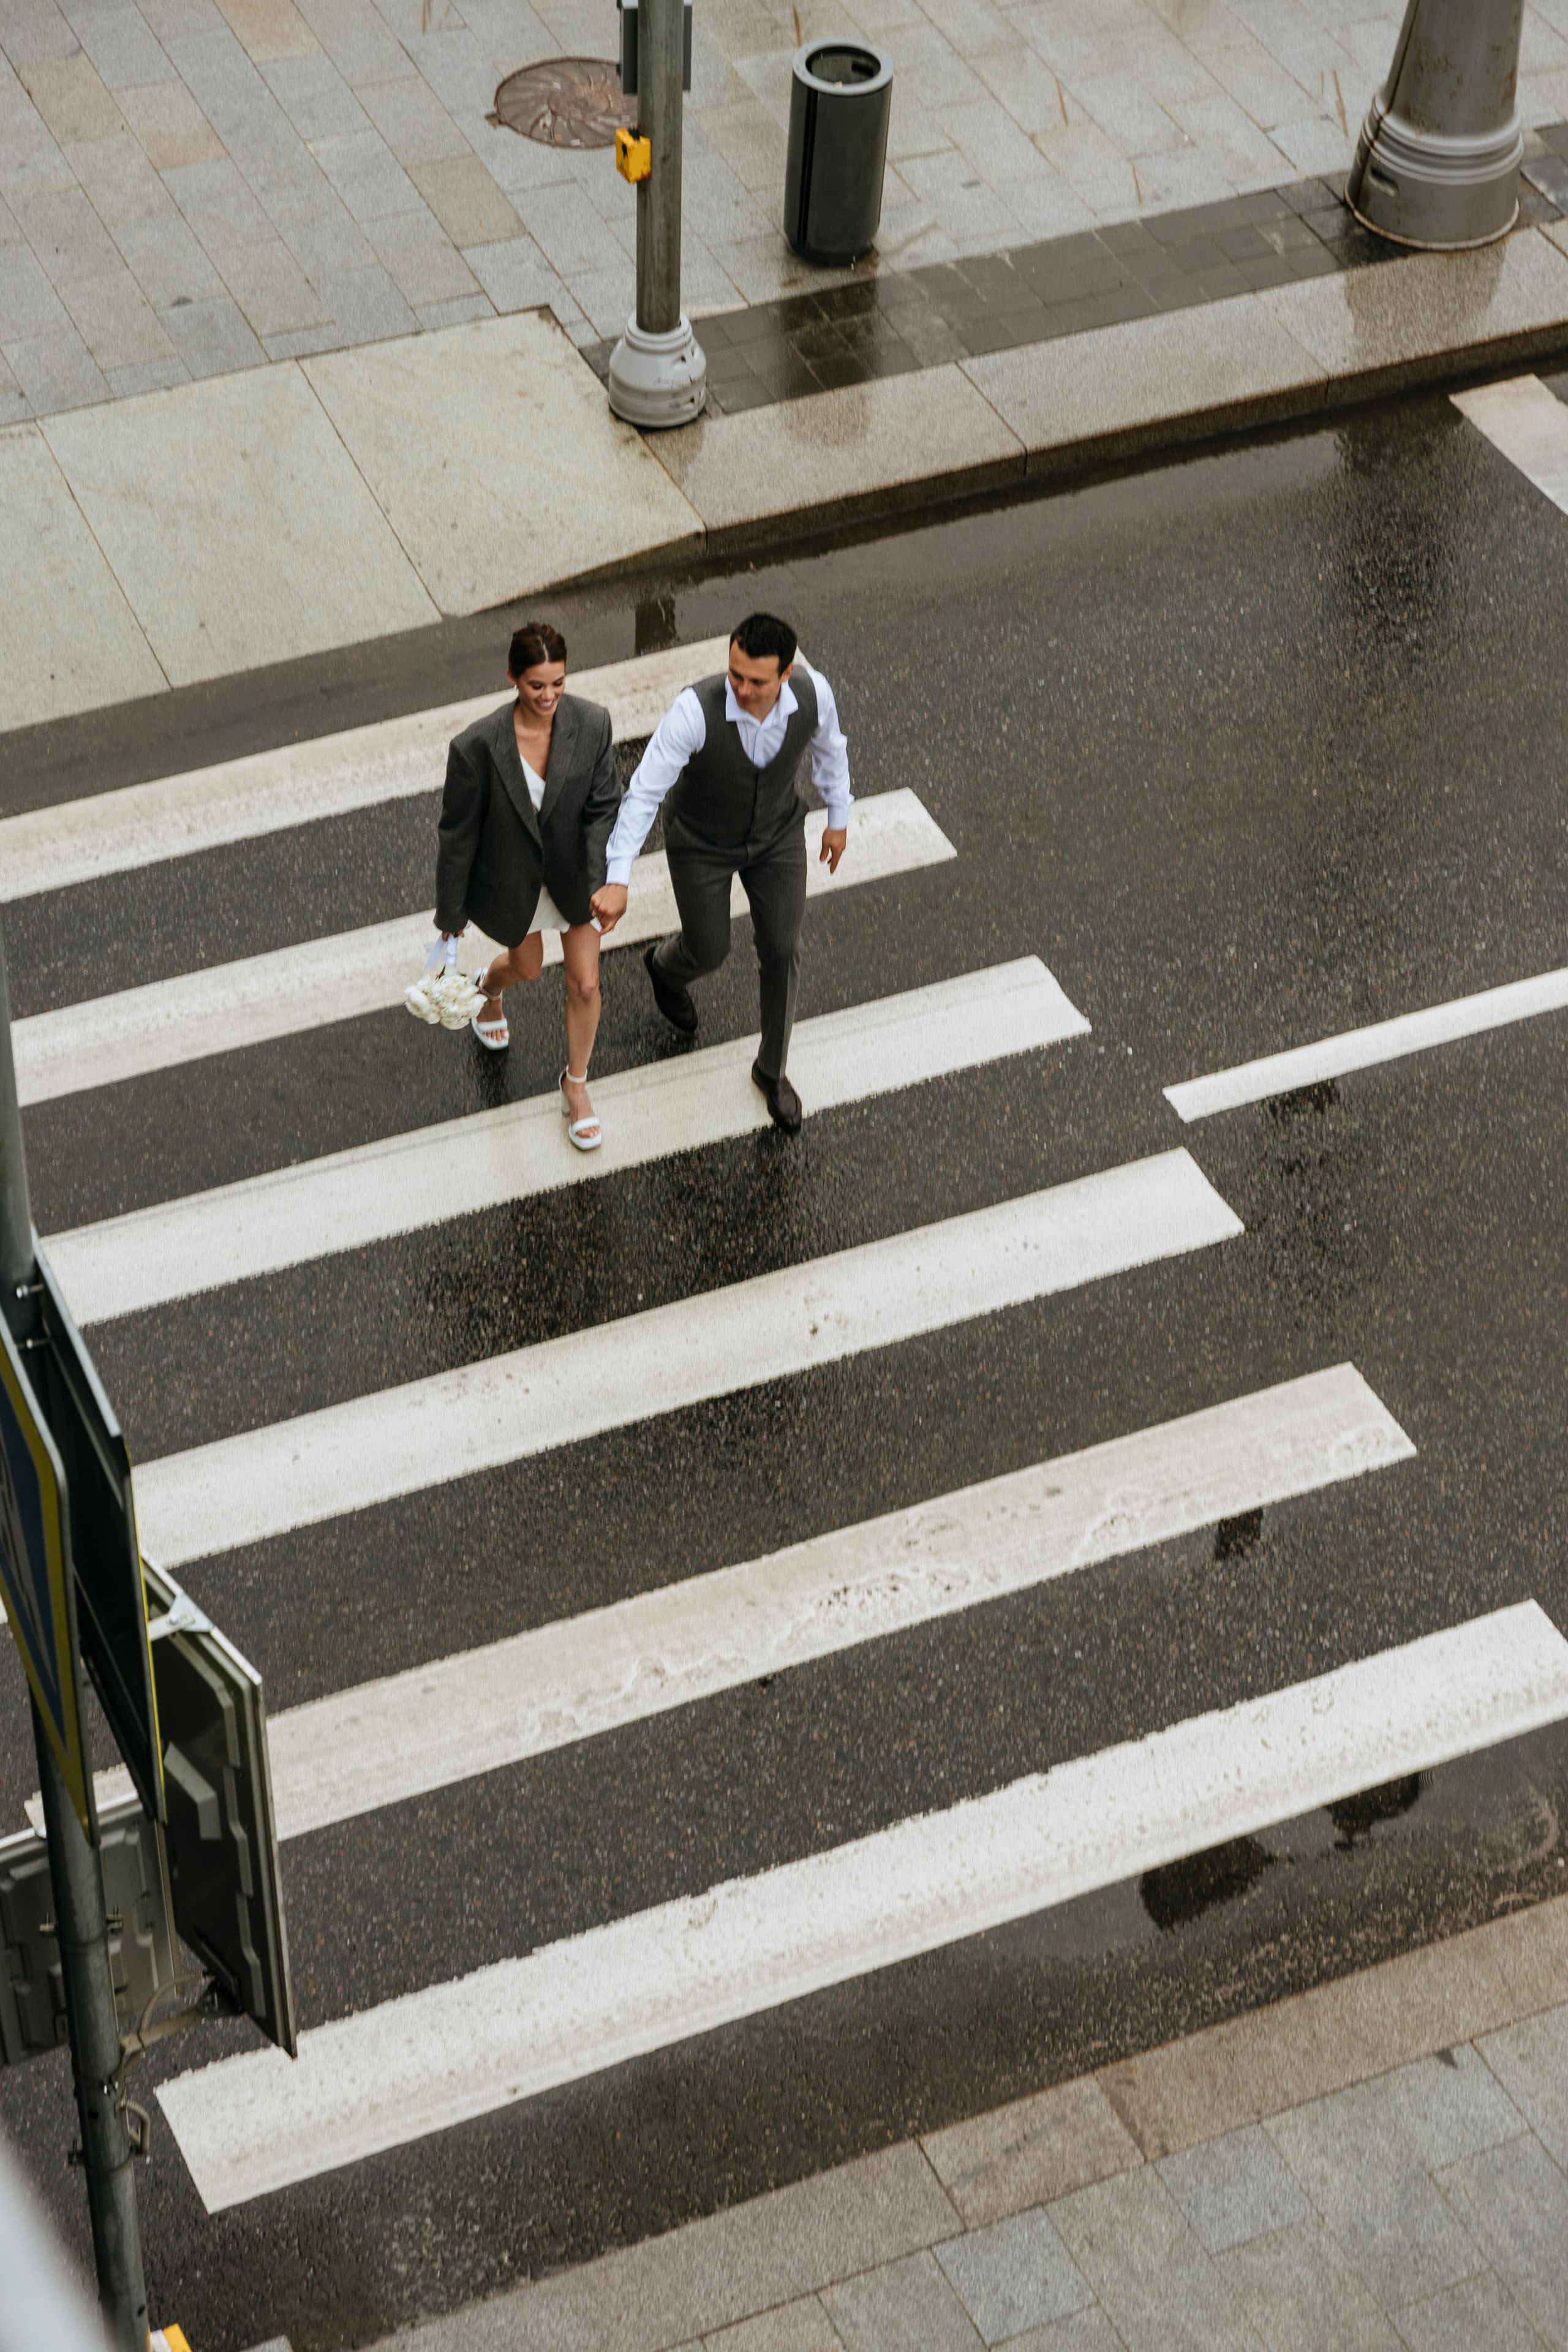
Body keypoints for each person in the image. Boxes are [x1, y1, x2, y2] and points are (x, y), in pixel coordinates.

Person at [589, 612, 851, 1134]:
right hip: (702, 845)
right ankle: (665, 967)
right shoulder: (694, 710)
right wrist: (618, 877)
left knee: (783, 949)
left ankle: (771, 1069)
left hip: (777, 839)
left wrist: (838, 818)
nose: (743, 688)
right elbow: (643, 792)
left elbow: (831, 750)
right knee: (709, 949)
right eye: (735, 675)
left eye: (757, 680)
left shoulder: (813, 692)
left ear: (787, 671)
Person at [435, 621, 619, 1151]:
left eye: (558, 683)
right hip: (516, 882)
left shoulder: (592, 722)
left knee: (585, 984)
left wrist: (601, 876)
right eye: (537, 685)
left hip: (575, 876)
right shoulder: (476, 746)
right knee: (528, 967)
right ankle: (488, 991)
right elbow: (457, 833)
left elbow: (607, 802)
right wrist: (451, 914)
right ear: (513, 678)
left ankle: (576, 1086)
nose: (550, 696)